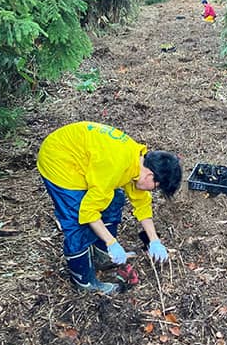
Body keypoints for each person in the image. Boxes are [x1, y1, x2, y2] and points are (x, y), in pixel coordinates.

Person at [37, 122, 182, 294]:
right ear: (150, 175)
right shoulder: (115, 167)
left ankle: (101, 254)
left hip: (83, 156)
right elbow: (88, 211)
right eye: (156, 187)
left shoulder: (137, 162)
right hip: (59, 160)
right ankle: (83, 281)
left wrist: (154, 240)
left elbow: (142, 203)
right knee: (76, 219)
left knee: (114, 199)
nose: (153, 190)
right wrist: (112, 242)